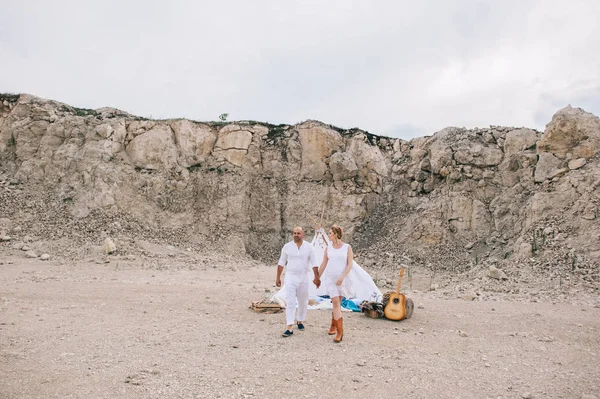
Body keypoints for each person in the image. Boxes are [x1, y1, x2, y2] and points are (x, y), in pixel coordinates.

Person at [276, 226, 320, 337]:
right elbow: (281, 262)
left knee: (303, 301)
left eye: (298, 233)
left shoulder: (309, 247)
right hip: (290, 277)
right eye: (294, 233)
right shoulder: (287, 247)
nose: (296, 235)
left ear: (303, 234)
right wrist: (278, 277)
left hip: (304, 277)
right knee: (290, 301)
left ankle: (300, 320)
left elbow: (314, 263)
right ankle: (289, 327)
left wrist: (316, 277)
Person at [318, 224, 353, 343]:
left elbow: (350, 265)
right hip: (330, 279)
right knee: (336, 303)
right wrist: (317, 277)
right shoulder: (328, 248)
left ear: (336, 235)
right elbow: (323, 264)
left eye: (330, 233)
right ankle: (340, 332)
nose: (328, 235)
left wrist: (342, 277)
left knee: (337, 304)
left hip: (342, 280)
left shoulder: (347, 247)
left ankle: (333, 325)